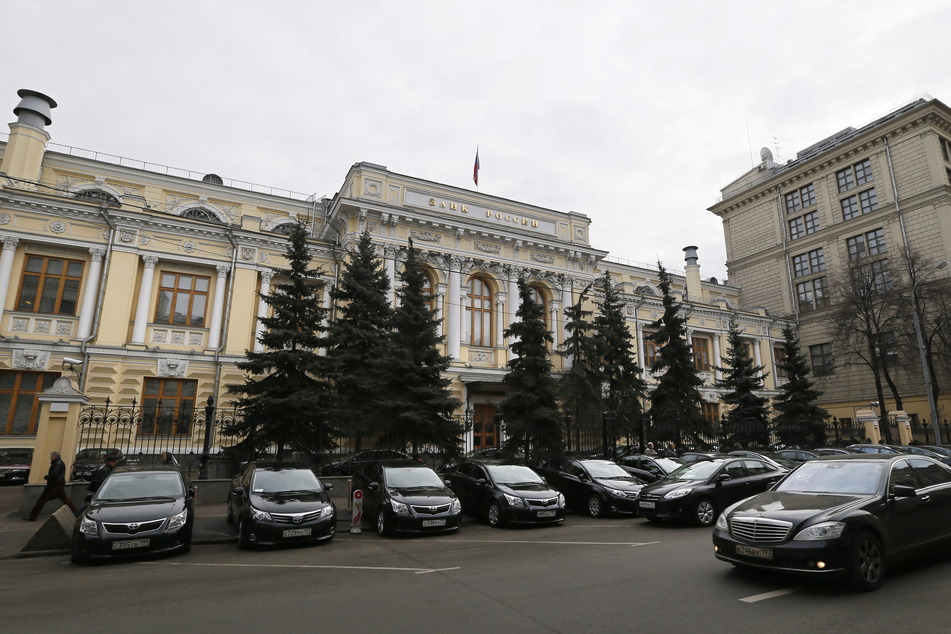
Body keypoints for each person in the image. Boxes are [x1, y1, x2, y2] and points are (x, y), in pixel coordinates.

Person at [25, 451, 79, 521]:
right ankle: (76, 512)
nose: (50, 458)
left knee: (41, 500)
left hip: (54, 484)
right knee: (64, 499)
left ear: (54, 457)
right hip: (60, 483)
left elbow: (54, 474)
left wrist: (47, 477)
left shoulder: (56, 464)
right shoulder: (60, 462)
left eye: (51, 456)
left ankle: (32, 517)